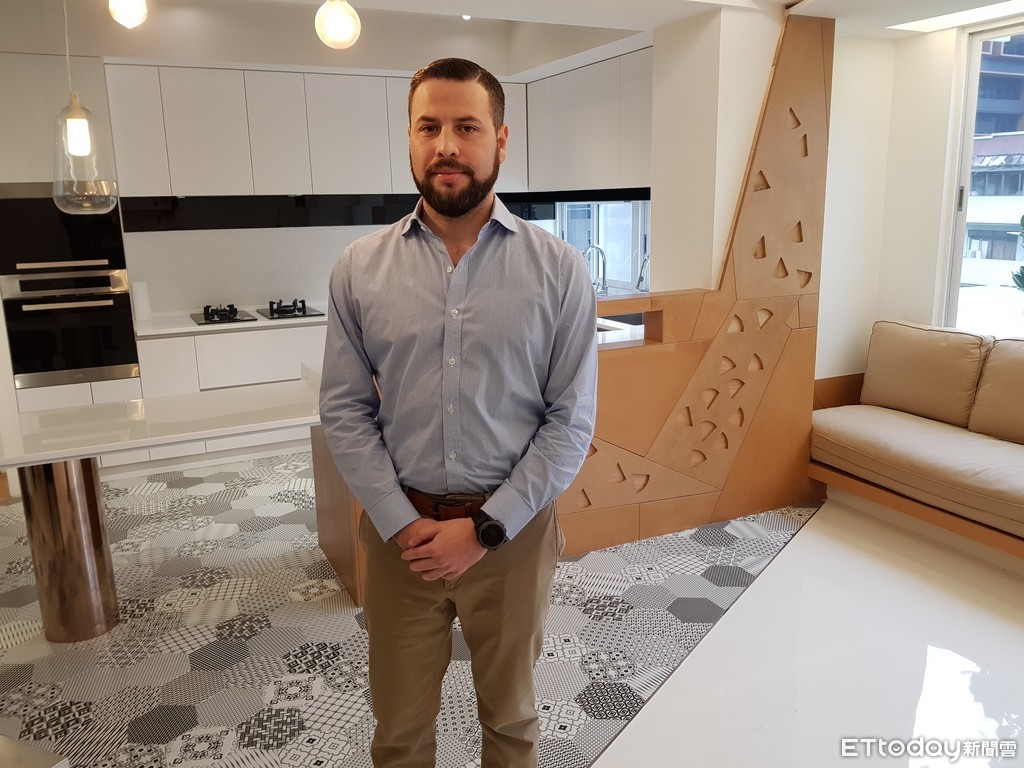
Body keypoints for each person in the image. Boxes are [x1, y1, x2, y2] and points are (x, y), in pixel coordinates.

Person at [319, 57, 598, 768]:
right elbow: (344, 409)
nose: (446, 145)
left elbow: (570, 422)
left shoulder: (559, 269)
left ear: (500, 140)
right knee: (399, 730)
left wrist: (485, 528)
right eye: (429, 127)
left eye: (466, 127)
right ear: (410, 139)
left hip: (513, 538)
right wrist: (399, 521)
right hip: (400, 539)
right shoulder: (359, 268)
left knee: (512, 721)